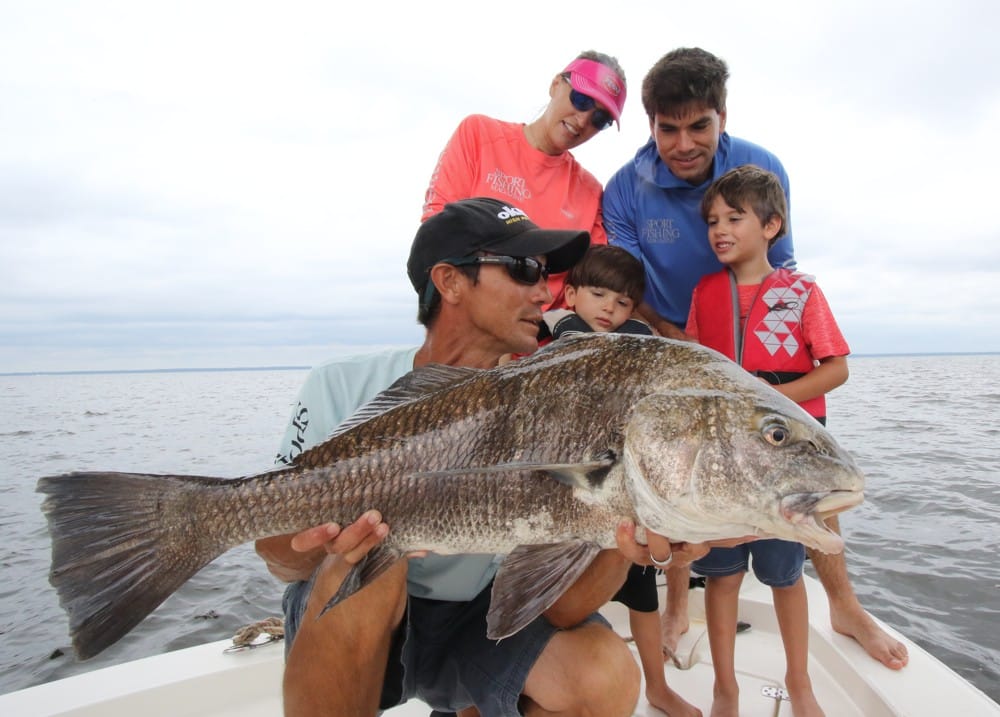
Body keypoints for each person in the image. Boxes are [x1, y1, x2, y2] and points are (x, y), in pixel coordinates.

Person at [255, 197, 694, 717]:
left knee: (603, 676)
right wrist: (320, 547)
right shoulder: (338, 384)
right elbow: (275, 553)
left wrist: (628, 536)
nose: (544, 290)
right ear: (450, 282)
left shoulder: (560, 408)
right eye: (524, 268)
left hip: (476, 624)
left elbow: (560, 610)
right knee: (371, 562)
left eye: (548, 274)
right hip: (360, 624)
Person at [603, 47, 909, 671]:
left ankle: (846, 605)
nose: (683, 143)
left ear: (722, 117)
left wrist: (775, 377)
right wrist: (676, 340)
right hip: (673, 344)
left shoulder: (762, 167)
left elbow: (786, 267)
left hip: (766, 369)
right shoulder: (624, 190)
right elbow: (627, 283)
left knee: (802, 477)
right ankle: (676, 608)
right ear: (650, 123)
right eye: (667, 128)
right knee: (680, 478)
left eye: (699, 126)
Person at [689, 164, 849, 717]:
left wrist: (779, 398)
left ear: (773, 225)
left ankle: (799, 682)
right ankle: (724, 688)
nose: (720, 229)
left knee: (785, 576)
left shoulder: (802, 292)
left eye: (735, 217)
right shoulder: (704, 293)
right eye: (713, 220)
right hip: (722, 463)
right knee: (722, 578)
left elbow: (837, 368)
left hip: (783, 465)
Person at [542, 243, 701, 717]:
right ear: (569, 295)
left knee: (639, 595)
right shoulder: (546, 341)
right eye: (598, 295)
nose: (610, 308)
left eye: (623, 302)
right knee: (559, 586)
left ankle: (657, 685)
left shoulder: (640, 346)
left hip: (621, 489)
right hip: (567, 489)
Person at [423, 50, 627, 309]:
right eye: (582, 99)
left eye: (601, 119)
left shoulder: (591, 191)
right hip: (471, 325)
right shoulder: (478, 134)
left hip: (544, 341)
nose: (584, 119)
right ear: (555, 85)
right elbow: (435, 230)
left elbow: (593, 282)